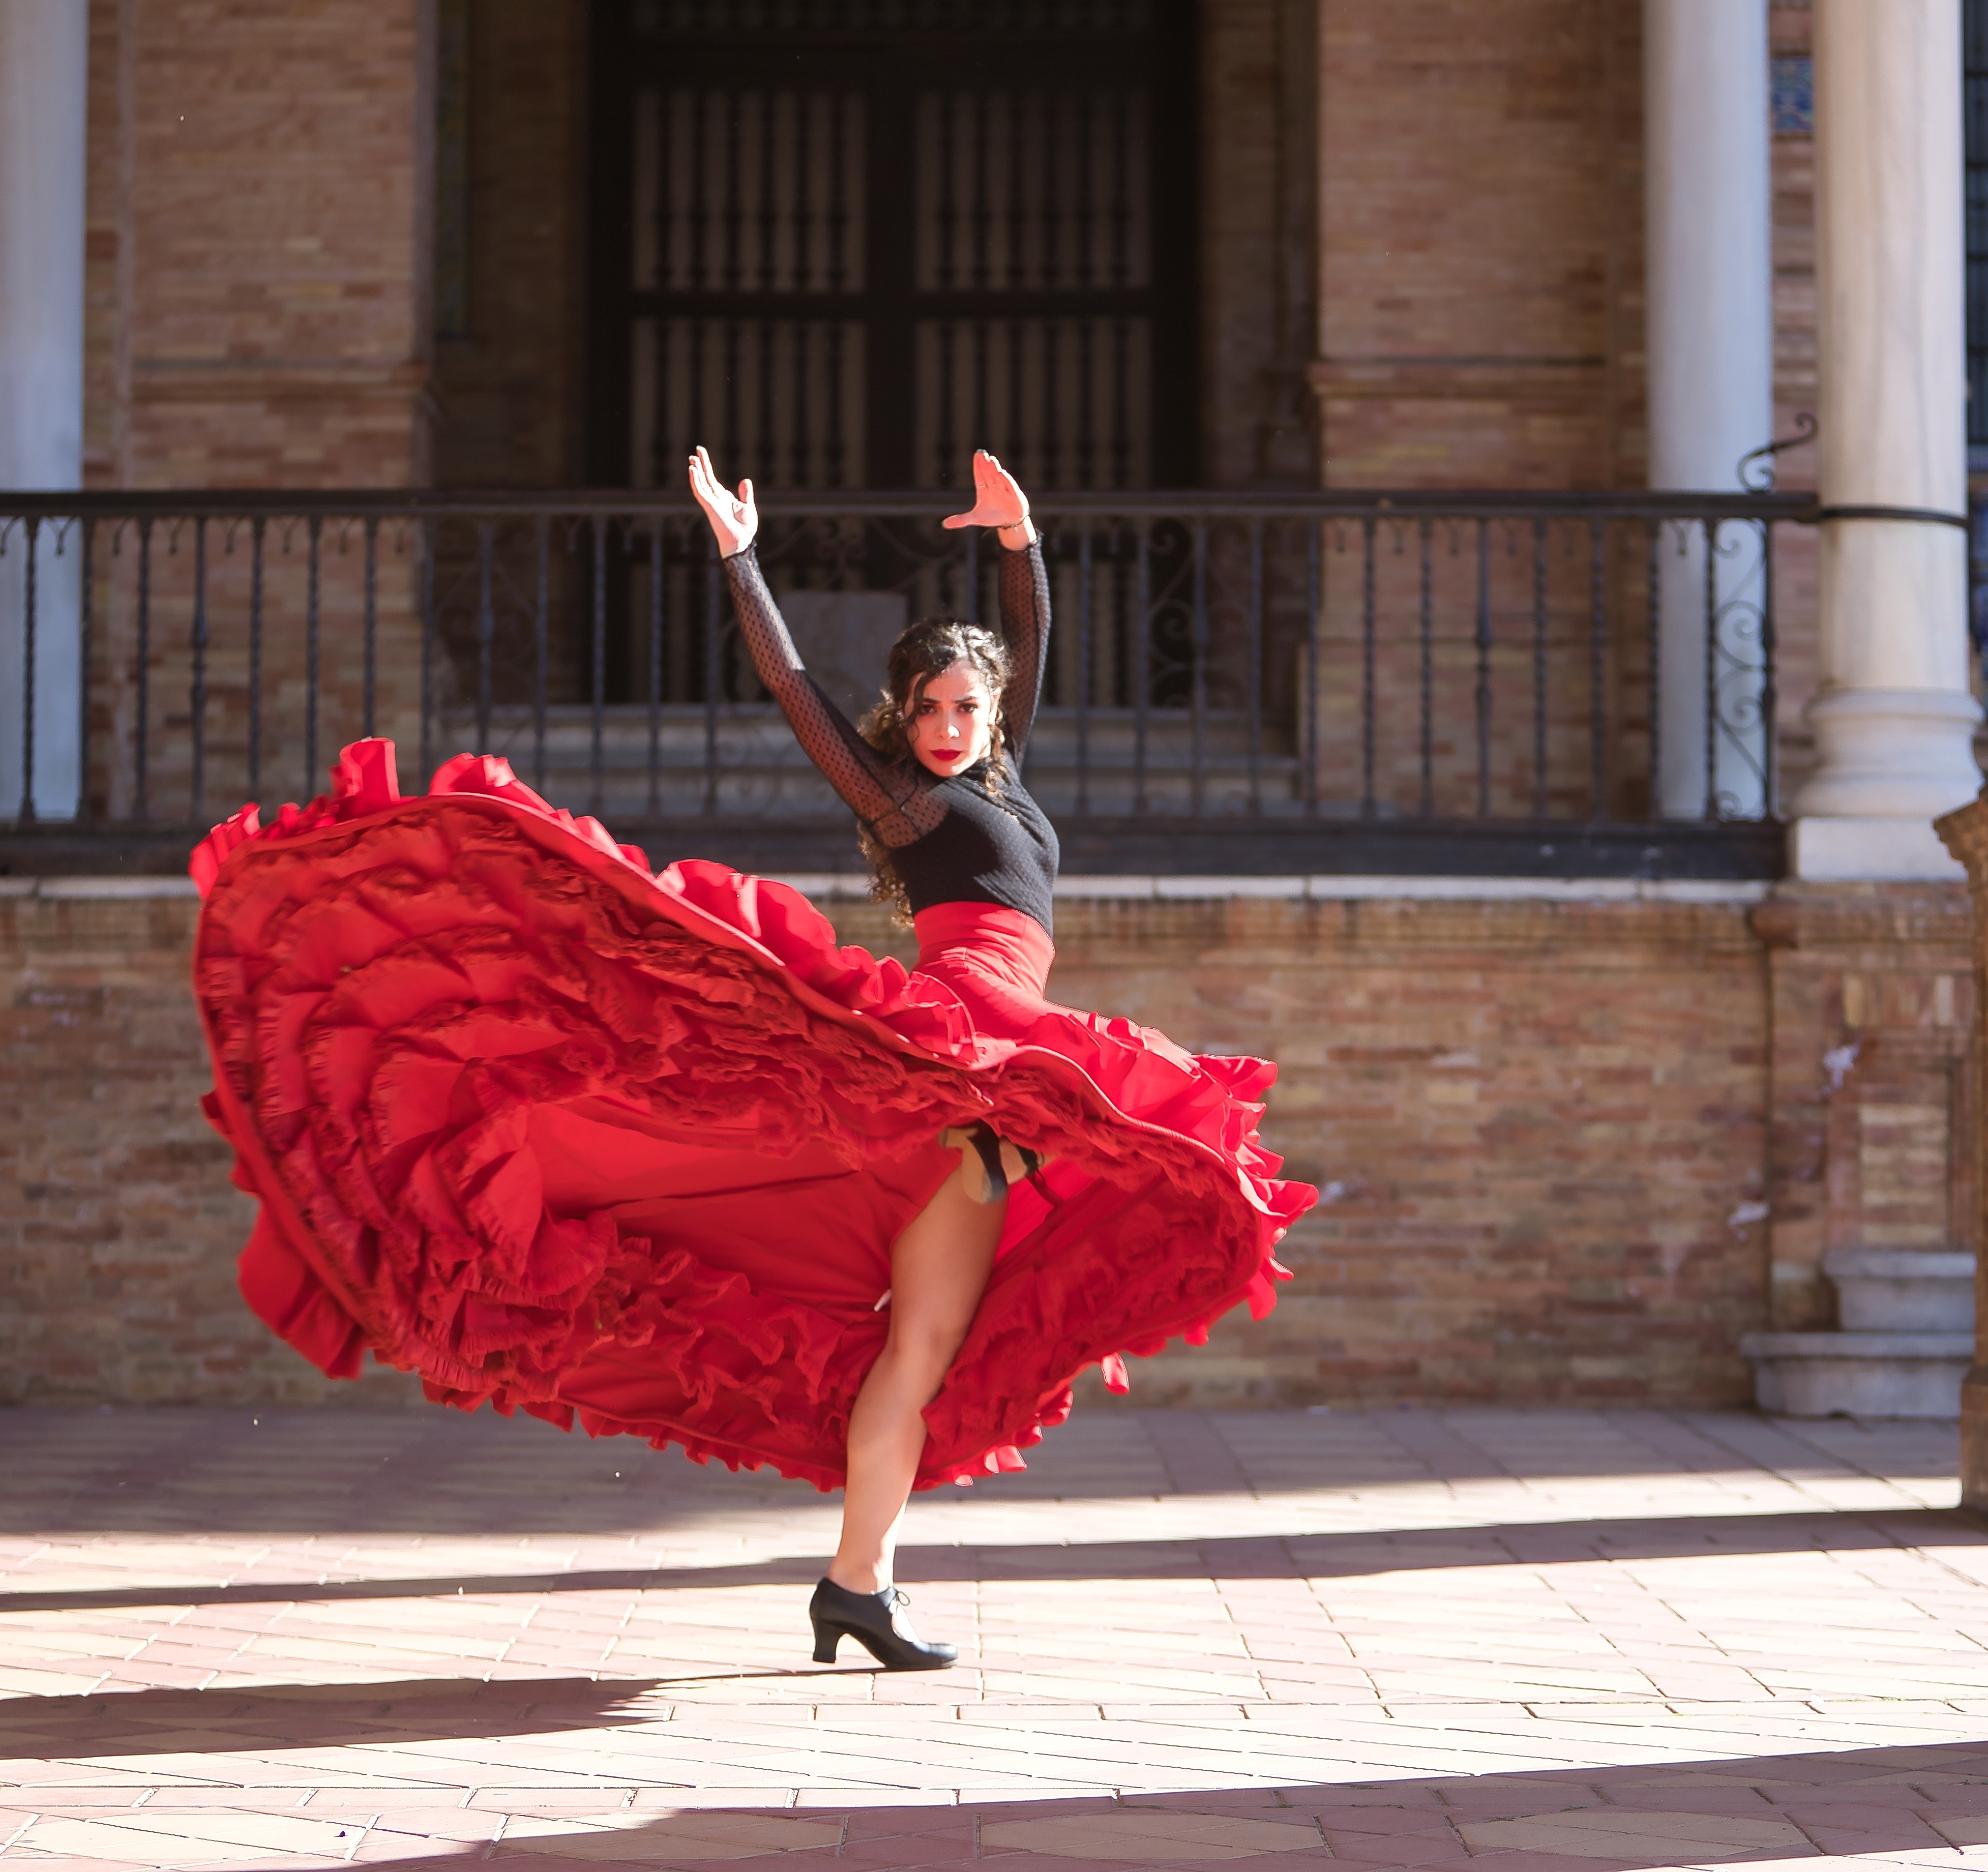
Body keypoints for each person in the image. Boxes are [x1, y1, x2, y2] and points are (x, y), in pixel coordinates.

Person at [188, 450, 1313, 1675]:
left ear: (990, 720)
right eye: (925, 708)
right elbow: (791, 687)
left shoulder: (1002, 780)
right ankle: (854, 1581)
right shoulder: (910, 804)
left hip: (992, 1076)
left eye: (962, 709)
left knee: (920, 1352)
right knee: (921, 1350)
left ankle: (859, 1583)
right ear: (904, 717)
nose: (942, 727)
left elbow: (1030, 647)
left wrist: (1020, 539)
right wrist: (738, 555)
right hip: (963, 1064)